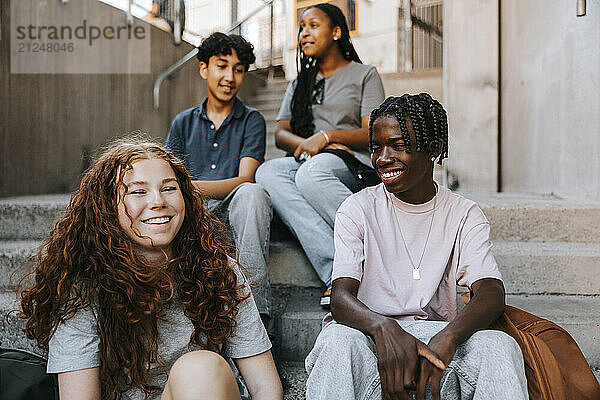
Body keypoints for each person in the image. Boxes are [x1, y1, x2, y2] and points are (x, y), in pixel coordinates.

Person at [17, 138, 282, 400]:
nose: (158, 201)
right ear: (107, 207)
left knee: (200, 369)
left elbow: (264, 387)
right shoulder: (81, 287)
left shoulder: (218, 269)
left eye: (169, 188)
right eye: (138, 191)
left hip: (203, 388)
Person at [305, 94, 528, 400]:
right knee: (337, 342)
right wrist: (383, 328)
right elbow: (340, 298)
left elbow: (491, 292)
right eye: (376, 147)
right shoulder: (356, 209)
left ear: (434, 148)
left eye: (398, 146)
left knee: (499, 346)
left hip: (436, 344)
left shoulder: (464, 213)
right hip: (369, 340)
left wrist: (449, 336)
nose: (383, 158)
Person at [255, 3, 385, 307]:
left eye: (313, 25)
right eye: (301, 27)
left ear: (337, 32)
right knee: (268, 173)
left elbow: (374, 133)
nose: (304, 33)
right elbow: (281, 133)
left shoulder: (364, 74)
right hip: (313, 159)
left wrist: (328, 137)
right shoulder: (301, 82)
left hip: (352, 161)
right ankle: (336, 272)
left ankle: (377, 244)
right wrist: (312, 144)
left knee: (313, 172)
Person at [165, 32, 274, 327]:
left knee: (253, 192)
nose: (230, 77)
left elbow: (245, 178)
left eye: (238, 70)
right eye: (221, 66)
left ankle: (258, 314)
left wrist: (191, 187)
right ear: (204, 69)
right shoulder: (183, 123)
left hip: (235, 215)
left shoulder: (252, 121)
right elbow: (166, 178)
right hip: (194, 216)